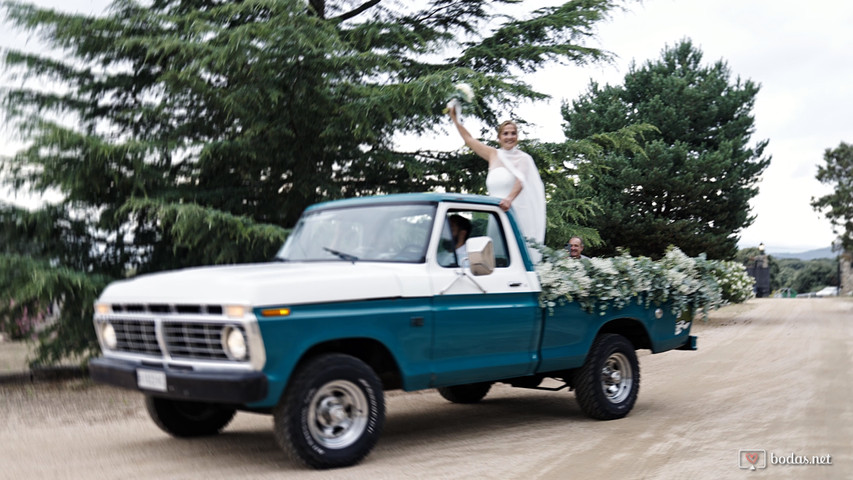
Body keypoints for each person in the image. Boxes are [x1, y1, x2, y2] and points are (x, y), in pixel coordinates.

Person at [448, 108, 546, 246]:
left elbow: (521, 180)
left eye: (513, 133)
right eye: (505, 134)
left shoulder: (523, 158)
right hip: (495, 214)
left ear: (517, 137)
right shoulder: (493, 154)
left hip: (513, 212)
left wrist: (509, 199)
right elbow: (469, 140)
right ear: (499, 138)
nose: (509, 137)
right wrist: (455, 119)